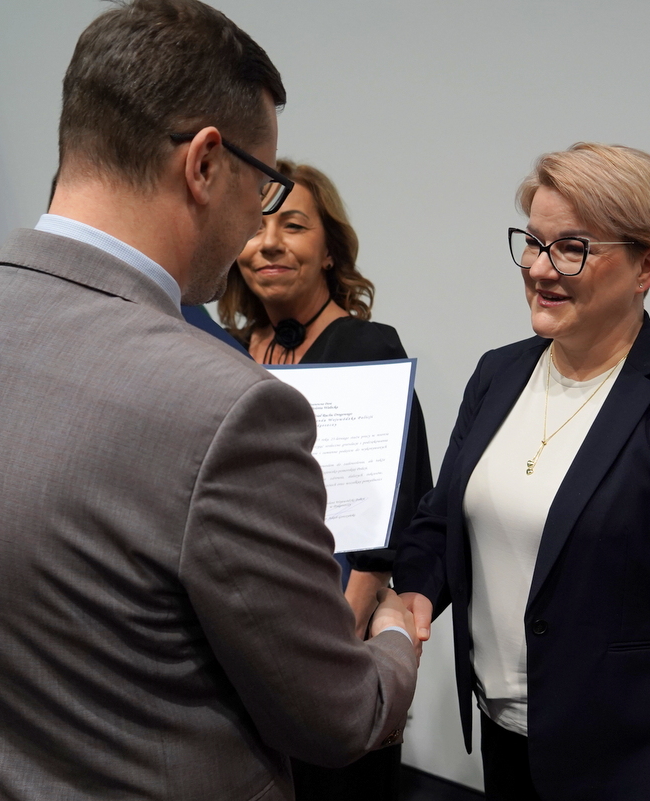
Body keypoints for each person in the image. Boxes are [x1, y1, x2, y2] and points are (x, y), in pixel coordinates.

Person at [0, 2, 418, 799]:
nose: (258, 222)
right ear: (206, 163)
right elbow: (338, 715)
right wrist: (392, 632)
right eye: (264, 183)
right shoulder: (225, 404)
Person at [392, 142, 650, 800]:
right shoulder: (498, 374)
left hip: (630, 766)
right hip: (504, 743)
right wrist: (417, 593)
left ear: (647, 265)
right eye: (532, 242)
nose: (540, 269)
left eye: (571, 248)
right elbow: (442, 520)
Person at [220, 159, 433, 800]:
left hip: (336, 627)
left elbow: (394, 510)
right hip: (242, 625)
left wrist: (341, 637)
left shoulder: (367, 347)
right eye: (254, 227)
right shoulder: (221, 350)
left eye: (293, 225)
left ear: (330, 249)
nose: (269, 243)